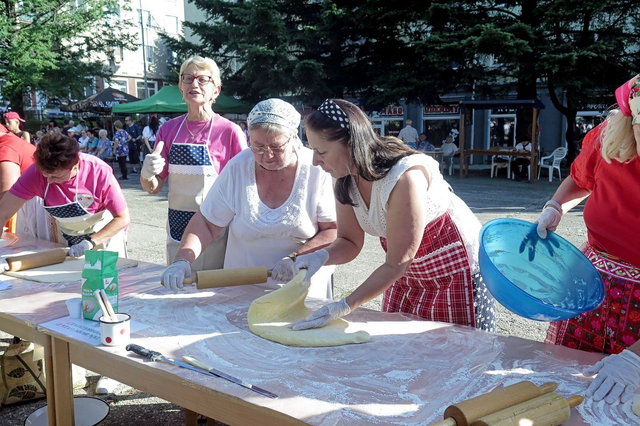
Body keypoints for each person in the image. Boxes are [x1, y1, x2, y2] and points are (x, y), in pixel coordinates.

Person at [290, 99, 495, 332]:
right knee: (403, 342)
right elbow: (349, 241)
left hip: (453, 268)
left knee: (454, 345)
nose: (315, 161)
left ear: (352, 144)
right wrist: (320, 257)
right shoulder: (345, 179)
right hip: (404, 269)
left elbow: (397, 263)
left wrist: (344, 305)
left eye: (321, 151)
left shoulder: (404, 177)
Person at [161, 99, 337, 298]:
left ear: (293, 138)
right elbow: (207, 223)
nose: (267, 155)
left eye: (276, 147)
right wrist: (183, 260)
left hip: (302, 288)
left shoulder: (315, 170)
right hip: (242, 286)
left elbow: (332, 230)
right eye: (258, 146)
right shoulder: (237, 169)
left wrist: (295, 258)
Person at [536, 75, 640, 405]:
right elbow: (581, 178)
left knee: (624, 405)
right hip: (591, 286)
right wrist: (556, 206)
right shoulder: (611, 137)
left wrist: (634, 360)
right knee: (569, 391)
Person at [140, 55, 247, 271]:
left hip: (216, 227)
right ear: (181, 87)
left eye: (203, 79)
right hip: (177, 225)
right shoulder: (168, 129)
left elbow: (245, 189)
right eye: (187, 78)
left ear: (216, 90)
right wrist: (147, 175)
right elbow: (154, 188)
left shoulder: (229, 132)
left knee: (212, 287)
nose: (194, 84)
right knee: (178, 282)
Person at [0, 123, 51, 239]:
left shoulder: (6, 148)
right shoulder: (11, 140)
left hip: (26, 205)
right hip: (31, 200)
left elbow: (7, 191)